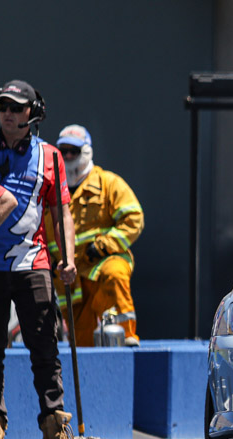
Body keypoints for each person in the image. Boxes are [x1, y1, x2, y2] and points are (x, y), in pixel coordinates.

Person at [0, 79, 88, 439]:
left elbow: (60, 210)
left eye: (16, 107)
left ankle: (54, 435)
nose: (7, 114)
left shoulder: (50, 156)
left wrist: (68, 258)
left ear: (33, 113)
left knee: (45, 350)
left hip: (33, 264)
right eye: (2, 107)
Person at [46, 124, 143, 346]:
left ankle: (126, 335)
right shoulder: (50, 190)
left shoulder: (108, 183)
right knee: (82, 347)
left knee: (114, 274)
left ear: (86, 152)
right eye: (63, 151)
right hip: (70, 279)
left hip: (101, 263)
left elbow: (134, 219)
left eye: (74, 151)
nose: (68, 156)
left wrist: (103, 246)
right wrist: (50, 263)